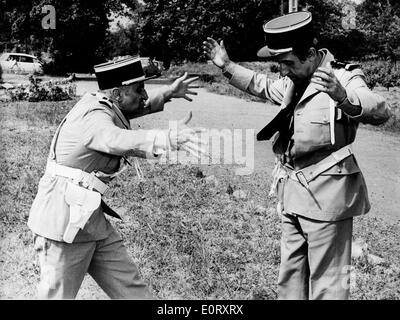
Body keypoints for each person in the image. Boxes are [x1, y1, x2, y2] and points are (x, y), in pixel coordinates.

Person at [203, 11, 391, 299]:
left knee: (329, 285)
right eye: (279, 63)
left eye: (287, 62)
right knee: (290, 279)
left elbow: (379, 109)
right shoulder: (293, 79)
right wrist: (226, 65)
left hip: (328, 194)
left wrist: (343, 97)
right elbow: (261, 84)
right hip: (292, 193)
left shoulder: (342, 76)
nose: (282, 70)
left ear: (312, 54)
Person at [28, 56, 205, 299]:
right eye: (139, 89)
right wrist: (165, 138)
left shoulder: (106, 104)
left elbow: (134, 109)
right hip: (62, 224)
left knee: (134, 293)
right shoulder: (93, 117)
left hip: (90, 221)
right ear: (116, 94)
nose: (144, 95)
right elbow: (114, 138)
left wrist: (168, 93)